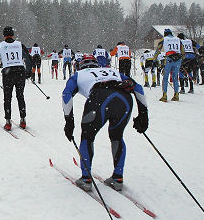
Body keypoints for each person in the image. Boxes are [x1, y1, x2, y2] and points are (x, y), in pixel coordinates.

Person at [62, 54, 148, 192]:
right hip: (124, 99)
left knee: (87, 137)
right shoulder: (111, 71)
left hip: (99, 98)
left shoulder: (78, 74)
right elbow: (137, 87)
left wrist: (69, 121)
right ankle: (117, 177)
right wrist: (143, 114)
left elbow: (66, 95)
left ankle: (86, 179)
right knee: (116, 136)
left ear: (81, 65)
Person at [0, 26, 33, 130]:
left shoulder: (1, 45)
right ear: (13, 35)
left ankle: (8, 122)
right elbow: (28, 59)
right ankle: (23, 120)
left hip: (8, 72)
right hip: (20, 71)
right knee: (20, 96)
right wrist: (28, 72)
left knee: (7, 97)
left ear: (4, 35)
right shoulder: (19, 45)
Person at [153, 28, 185, 102]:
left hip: (169, 59)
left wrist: (154, 59)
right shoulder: (178, 39)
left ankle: (164, 95)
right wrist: (182, 58)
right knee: (175, 77)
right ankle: (176, 94)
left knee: (165, 77)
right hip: (178, 59)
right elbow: (182, 50)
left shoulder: (164, 39)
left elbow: (158, 49)